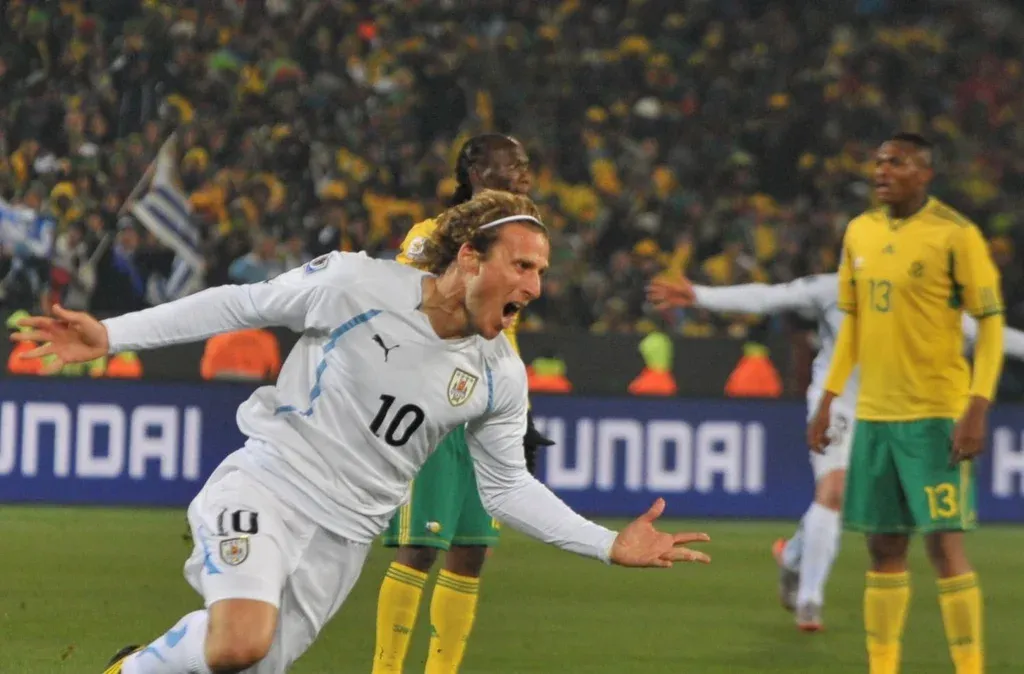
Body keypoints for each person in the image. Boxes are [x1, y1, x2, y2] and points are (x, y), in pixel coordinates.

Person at [13, 190, 711, 674]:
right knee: (239, 642)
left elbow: (505, 487)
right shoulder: (356, 285)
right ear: (471, 258)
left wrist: (606, 544)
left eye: (541, 273)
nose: (533, 287)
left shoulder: (499, 374)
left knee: (242, 661)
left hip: (343, 541)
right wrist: (112, 335)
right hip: (270, 486)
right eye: (522, 266)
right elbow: (242, 304)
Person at [648, 271, 1024, 633]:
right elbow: (770, 297)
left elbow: (993, 337)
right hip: (836, 404)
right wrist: (701, 295)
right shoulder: (835, 288)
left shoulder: (928, 301)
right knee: (835, 490)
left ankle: (793, 555)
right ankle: (809, 600)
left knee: (852, 502)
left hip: (890, 415)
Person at [808, 133, 1003, 674]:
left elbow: (990, 323)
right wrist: (828, 400)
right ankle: (883, 667)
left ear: (924, 173)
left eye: (897, 162)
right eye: (879, 162)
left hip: (935, 415)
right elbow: (852, 323)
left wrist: (977, 405)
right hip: (874, 417)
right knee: (883, 549)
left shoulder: (955, 234)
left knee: (944, 547)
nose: (882, 170)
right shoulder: (859, 231)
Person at [373, 133, 552, 674]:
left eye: (525, 164)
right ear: (476, 172)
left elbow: (505, 334)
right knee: (421, 546)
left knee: (471, 552)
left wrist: (521, 414)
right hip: (438, 404)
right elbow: (402, 305)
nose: (523, 173)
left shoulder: (521, 244)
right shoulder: (434, 235)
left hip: (490, 412)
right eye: (511, 164)